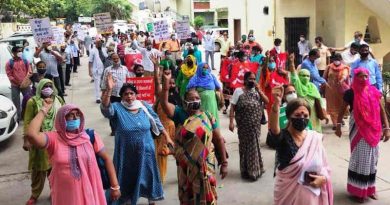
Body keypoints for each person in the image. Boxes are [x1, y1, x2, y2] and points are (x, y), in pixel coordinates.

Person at [26, 103, 121, 205]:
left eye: (78, 114)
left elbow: (106, 159)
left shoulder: (90, 136)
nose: (76, 118)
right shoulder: (54, 139)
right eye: (71, 115)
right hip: (65, 196)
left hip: (91, 192)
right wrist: (44, 110)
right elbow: (32, 135)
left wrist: (115, 186)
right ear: (62, 119)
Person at [160, 71, 228, 205]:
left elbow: (218, 139)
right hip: (186, 166)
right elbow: (164, 104)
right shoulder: (180, 113)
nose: (194, 100)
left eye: (197, 98)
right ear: (185, 102)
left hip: (205, 165)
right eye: (191, 99)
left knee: (206, 195)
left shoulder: (208, 117)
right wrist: (166, 85)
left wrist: (224, 163)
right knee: (187, 194)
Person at [101, 78, 172, 205]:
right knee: (127, 178)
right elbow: (106, 109)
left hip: (147, 152)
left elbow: (156, 121)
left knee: (149, 175)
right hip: (126, 154)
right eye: (125, 94)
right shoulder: (117, 108)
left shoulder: (143, 106)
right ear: (121, 97)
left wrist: (167, 137)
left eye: (131, 93)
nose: (129, 96)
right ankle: (128, 200)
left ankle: (152, 200)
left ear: (136, 95)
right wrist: (109, 89)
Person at [269, 88, 333, 205]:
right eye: (297, 115)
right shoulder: (283, 137)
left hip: (312, 195)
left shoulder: (314, 138)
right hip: (288, 194)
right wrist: (276, 104)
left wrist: (323, 179)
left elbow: (325, 166)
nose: (302, 118)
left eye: (305, 115)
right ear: (289, 117)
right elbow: (274, 129)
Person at [336, 68, 390, 203]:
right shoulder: (350, 92)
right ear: (355, 77)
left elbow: (381, 110)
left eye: (366, 76)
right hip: (358, 129)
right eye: (360, 76)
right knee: (360, 160)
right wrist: (337, 125)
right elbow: (342, 109)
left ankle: (370, 189)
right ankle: (357, 190)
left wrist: (387, 127)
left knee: (372, 160)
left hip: (374, 129)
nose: (364, 79)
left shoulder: (373, 91)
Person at [23, 79, 64, 205]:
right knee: (38, 171)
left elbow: (64, 117)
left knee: (55, 170)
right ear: (40, 87)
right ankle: (35, 195)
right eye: (45, 86)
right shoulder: (33, 102)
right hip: (39, 140)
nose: (47, 88)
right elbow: (28, 121)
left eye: (49, 86)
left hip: (56, 140)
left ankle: (55, 193)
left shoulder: (58, 100)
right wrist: (27, 140)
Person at [229, 72, 268, 181]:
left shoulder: (257, 91)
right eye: (250, 78)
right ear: (245, 80)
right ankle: (246, 170)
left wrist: (259, 90)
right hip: (243, 125)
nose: (252, 80)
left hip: (255, 125)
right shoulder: (238, 91)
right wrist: (231, 122)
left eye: (254, 78)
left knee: (255, 145)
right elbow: (232, 107)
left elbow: (267, 101)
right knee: (244, 147)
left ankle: (255, 170)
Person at [153, 61, 180, 184]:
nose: (170, 84)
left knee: (176, 153)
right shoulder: (160, 96)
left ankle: (183, 172)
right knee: (161, 155)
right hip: (159, 129)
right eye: (169, 82)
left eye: (173, 83)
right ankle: (160, 181)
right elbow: (157, 82)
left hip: (171, 128)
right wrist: (155, 67)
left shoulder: (176, 97)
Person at [289, 54, 327, 133]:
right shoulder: (298, 85)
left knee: (315, 134)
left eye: (307, 76)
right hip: (302, 113)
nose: (306, 77)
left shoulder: (312, 86)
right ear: (299, 76)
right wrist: (292, 62)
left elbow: (319, 99)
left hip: (314, 113)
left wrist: (323, 112)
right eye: (303, 75)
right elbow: (293, 75)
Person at [100, 53, 130, 135]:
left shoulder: (125, 69)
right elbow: (103, 84)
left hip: (123, 96)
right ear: (111, 60)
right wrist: (103, 95)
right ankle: (113, 130)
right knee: (112, 113)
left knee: (124, 112)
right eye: (114, 59)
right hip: (112, 95)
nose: (116, 60)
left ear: (119, 59)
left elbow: (129, 81)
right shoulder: (107, 70)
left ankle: (123, 128)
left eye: (117, 58)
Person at [323, 53, 350, 130]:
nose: (336, 61)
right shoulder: (329, 67)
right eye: (335, 59)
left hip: (342, 91)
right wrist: (323, 85)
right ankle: (335, 123)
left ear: (341, 60)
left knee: (342, 105)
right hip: (330, 90)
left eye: (338, 60)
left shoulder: (345, 67)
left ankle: (340, 119)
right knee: (332, 106)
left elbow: (345, 75)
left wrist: (342, 80)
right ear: (332, 60)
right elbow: (324, 77)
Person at [6, 46, 32, 121]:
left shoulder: (25, 61)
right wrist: (16, 82)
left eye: (21, 51)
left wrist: (26, 81)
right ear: (13, 53)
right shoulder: (9, 63)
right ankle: (17, 118)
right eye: (18, 51)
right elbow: (9, 75)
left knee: (28, 101)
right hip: (15, 86)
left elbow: (29, 72)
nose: (20, 52)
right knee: (15, 102)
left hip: (25, 85)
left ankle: (27, 116)